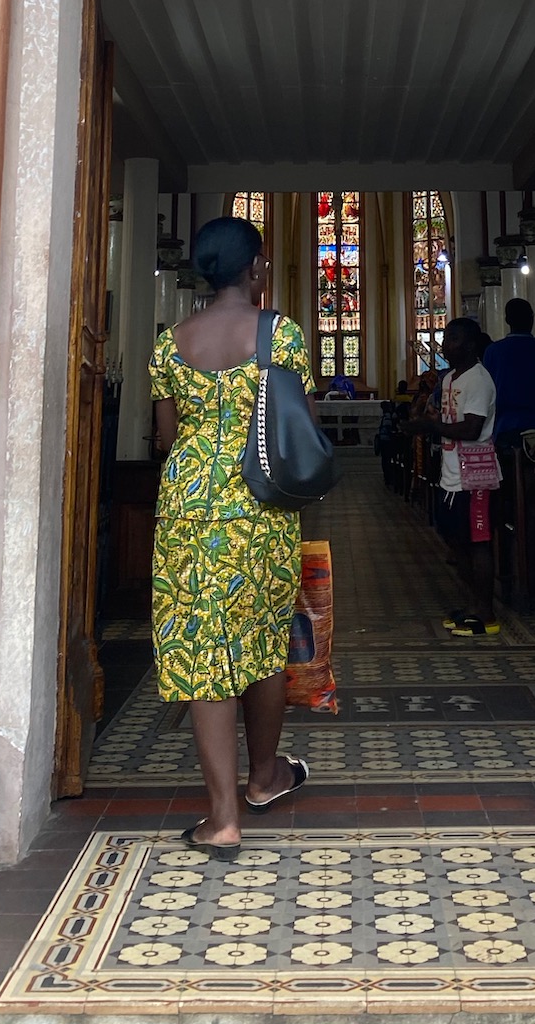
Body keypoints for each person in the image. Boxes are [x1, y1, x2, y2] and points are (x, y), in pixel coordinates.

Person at [150, 214, 315, 854]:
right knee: (264, 638)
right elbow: (299, 426)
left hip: (188, 509)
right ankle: (266, 776)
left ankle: (221, 818)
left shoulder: (170, 343)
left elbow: (167, 438)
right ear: (256, 270)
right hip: (262, 507)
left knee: (200, 649)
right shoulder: (282, 335)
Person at [417, 316, 500, 636]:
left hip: (476, 476)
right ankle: (472, 603)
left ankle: (487, 614)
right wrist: (433, 419)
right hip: (452, 473)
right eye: (445, 338)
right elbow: (449, 418)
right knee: (454, 540)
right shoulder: (449, 378)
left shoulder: (479, 379)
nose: (445, 345)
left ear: (470, 344)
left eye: (452, 339)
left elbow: (472, 428)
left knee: (478, 543)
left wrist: (432, 426)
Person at [482, 296, 535, 442]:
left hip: (503, 424)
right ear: (532, 319)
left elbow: (487, 390)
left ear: (507, 320)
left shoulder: (493, 351)